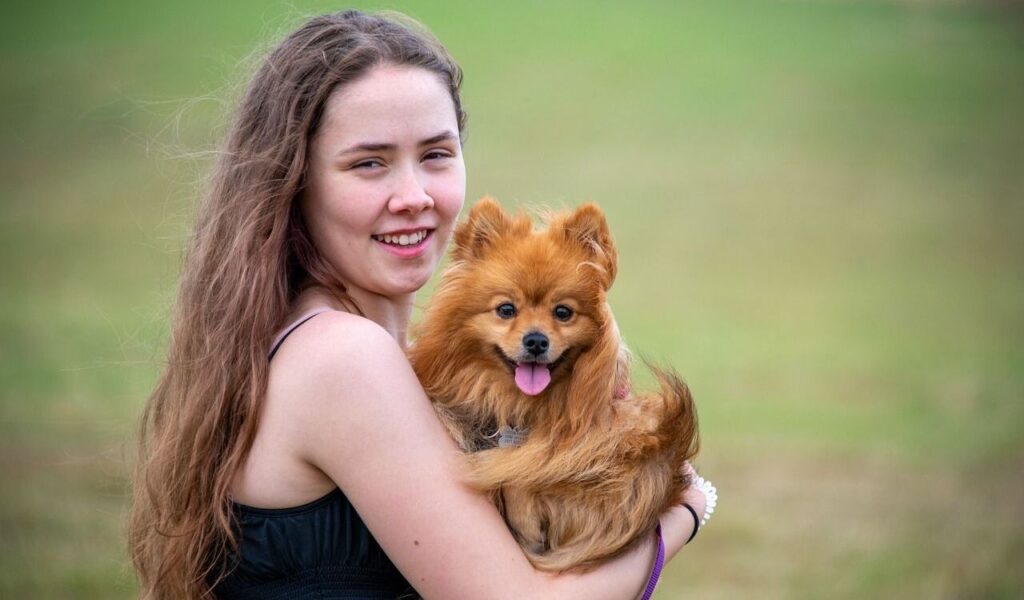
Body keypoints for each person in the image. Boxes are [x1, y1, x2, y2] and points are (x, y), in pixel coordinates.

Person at [129, 9, 713, 600]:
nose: (413, 197)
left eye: (435, 154)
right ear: (294, 179)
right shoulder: (343, 359)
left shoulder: (346, 347)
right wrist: (685, 509)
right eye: (369, 163)